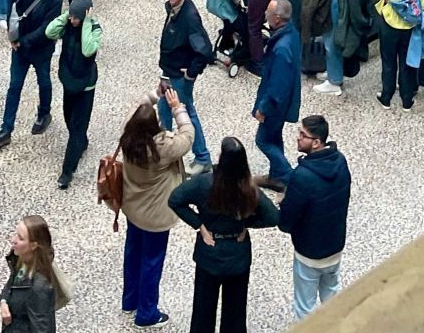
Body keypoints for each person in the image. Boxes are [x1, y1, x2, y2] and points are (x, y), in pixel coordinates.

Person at [168, 137, 279, 333]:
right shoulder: (249, 188)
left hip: (209, 251)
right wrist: (246, 224)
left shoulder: (204, 183)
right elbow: (273, 217)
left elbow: (175, 200)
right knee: (235, 314)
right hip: (238, 254)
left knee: (203, 310)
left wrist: (199, 224)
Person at [117, 90, 195, 329]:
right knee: (152, 261)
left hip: (132, 207)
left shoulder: (127, 137)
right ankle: (147, 313)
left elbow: (135, 110)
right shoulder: (162, 147)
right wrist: (176, 107)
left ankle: (129, 300)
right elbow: (188, 135)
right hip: (155, 216)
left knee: (132, 253)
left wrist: (153, 95)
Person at [278, 116, 350, 319]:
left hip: (309, 253)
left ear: (316, 142)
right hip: (335, 245)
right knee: (333, 296)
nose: (297, 138)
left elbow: (286, 221)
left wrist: (284, 204)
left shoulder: (302, 176)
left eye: (303, 135)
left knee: (305, 307)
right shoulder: (341, 161)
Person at [0, 0, 61, 150]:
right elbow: (11, 7)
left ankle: (44, 113)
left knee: (44, 81)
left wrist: (21, 42)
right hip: (20, 48)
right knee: (14, 86)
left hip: (41, 49)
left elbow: (45, 29)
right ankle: (6, 129)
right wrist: (12, 35)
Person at [358, 0, 424, 110]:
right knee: (405, 62)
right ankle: (407, 99)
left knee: (388, 61)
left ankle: (386, 96)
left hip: (389, 23)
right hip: (409, 25)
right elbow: (422, 2)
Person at [45, 0, 102, 189]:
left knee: (77, 127)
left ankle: (67, 171)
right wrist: (66, 16)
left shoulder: (94, 28)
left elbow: (88, 49)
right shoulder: (67, 23)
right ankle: (81, 142)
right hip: (69, 82)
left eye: (76, 17)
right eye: (72, 16)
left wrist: (86, 21)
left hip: (85, 85)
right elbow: (50, 32)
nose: (73, 20)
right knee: (68, 118)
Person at [158, 0, 214, 168]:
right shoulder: (174, 9)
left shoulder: (189, 17)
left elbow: (206, 51)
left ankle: (202, 158)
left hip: (179, 78)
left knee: (186, 112)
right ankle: (166, 152)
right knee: (164, 109)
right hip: (169, 72)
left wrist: (191, 73)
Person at [252, 0, 301, 190]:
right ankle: (276, 177)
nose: (265, 16)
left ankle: (287, 176)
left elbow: (277, 85)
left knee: (263, 140)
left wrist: (264, 108)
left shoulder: (281, 48)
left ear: (278, 18)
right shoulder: (291, 34)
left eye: (268, 13)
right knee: (274, 136)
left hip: (275, 104)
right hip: (285, 100)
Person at [0, 215, 62, 333]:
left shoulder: (40, 287)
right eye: (15, 234)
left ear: (33, 245)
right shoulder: (20, 261)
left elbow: (42, 329)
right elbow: (10, 285)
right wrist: (3, 302)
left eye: (20, 238)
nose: (13, 240)